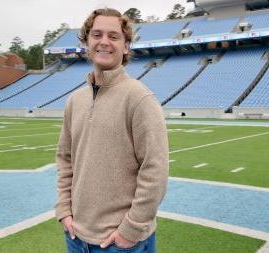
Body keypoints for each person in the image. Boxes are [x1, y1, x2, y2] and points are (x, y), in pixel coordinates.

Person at [55, 7, 169, 253]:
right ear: (87, 42)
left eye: (113, 36)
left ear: (126, 46)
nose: (104, 42)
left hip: (122, 243)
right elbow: (65, 159)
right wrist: (64, 210)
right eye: (96, 35)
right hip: (77, 237)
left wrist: (131, 229)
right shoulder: (75, 101)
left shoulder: (139, 98)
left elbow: (155, 169)